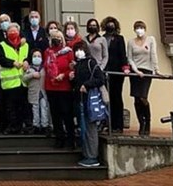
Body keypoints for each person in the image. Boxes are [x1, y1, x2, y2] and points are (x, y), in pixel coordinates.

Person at [72, 40, 105, 168]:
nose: (78, 52)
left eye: (80, 49)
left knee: (90, 129)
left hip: (90, 100)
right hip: (80, 100)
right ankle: (87, 154)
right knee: (84, 128)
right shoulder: (78, 65)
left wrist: (86, 85)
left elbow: (100, 79)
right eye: (76, 50)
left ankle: (92, 156)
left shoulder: (91, 62)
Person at [127, 20, 161, 137]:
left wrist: (156, 70)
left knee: (143, 97)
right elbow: (130, 58)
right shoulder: (131, 42)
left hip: (147, 71)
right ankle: (141, 123)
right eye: (137, 28)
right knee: (136, 99)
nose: (139, 30)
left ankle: (148, 122)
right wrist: (136, 70)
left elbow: (153, 55)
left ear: (145, 29)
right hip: (135, 72)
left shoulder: (150, 40)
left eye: (141, 27)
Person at [44, 29, 76, 149]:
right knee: (55, 115)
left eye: (58, 37)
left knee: (67, 114)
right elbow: (46, 65)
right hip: (51, 87)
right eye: (54, 37)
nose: (56, 39)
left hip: (64, 87)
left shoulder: (68, 52)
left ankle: (70, 139)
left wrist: (63, 75)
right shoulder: (48, 52)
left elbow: (71, 68)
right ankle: (59, 138)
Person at [0, 22, 29, 134]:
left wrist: (26, 61)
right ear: (6, 33)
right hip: (9, 83)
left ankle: (19, 127)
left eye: (15, 31)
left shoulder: (25, 45)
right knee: (9, 107)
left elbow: (29, 56)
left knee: (21, 107)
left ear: (19, 32)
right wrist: (12, 63)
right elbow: (1, 59)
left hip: (23, 82)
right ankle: (11, 127)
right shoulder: (2, 45)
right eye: (10, 31)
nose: (13, 33)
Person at [102, 16, 127, 134]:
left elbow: (123, 55)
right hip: (105, 72)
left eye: (112, 24)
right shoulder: (102, 38)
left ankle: (119, 125)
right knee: (107, 99)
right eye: (108, 24)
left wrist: (125, 68)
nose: (110, 26)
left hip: (117, 73)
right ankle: (109, 124)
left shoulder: (119, 39)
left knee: (117, 97)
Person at [22, 48, 50, 135]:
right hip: (33, 93)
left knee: (44, 108)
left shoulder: (44, 68)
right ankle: (36, 125)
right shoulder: (29, 69)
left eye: (38, 56)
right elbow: (24, 78)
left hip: (43, 92)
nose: (36, 58)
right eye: (34, 56)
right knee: (35, 109)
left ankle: (45, 125)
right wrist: (32, 75)